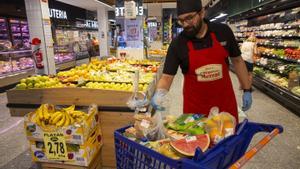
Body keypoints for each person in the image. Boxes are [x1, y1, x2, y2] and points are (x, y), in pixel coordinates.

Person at [151, 0, 252, 122]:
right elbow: (167, 77)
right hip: (195, 112)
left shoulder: (223, 32)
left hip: (224, 107)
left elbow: (237, 60)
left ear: (202, 13)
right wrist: (159, 94)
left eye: (189, 18)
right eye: (181, 20)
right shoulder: (178, 44)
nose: (186, 24)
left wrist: (247, 89)